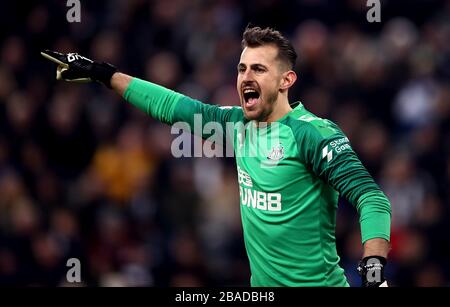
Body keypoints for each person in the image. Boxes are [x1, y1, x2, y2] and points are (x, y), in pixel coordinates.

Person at [41, 26, 391, 287]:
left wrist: (373, 265)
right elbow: (171, 106)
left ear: (286, 80)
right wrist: (103, 74)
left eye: (258, 69)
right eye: (242, 69)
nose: (245, 77)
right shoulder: (235, 124)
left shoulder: (313, 133)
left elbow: (371, 198)